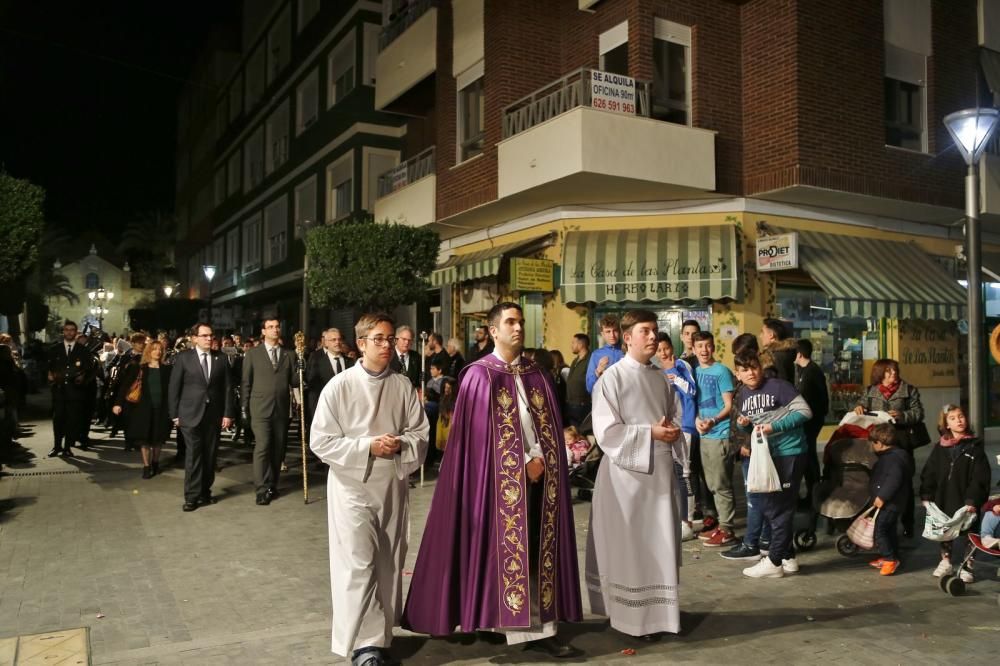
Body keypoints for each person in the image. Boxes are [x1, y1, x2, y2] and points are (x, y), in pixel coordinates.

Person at [402, 302, 582, 659]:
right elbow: (476, 442)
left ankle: (542, 628)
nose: (518, 328)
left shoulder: (538, 374)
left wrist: (542, 460)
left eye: (521, 322)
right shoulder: (478, 376)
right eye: (510, 322)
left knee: (537, 553)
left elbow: (546, 429)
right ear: (494, 330)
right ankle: (503, 625)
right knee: (499, 553)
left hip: (541, 478)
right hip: (494, 487)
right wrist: (521, 466)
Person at [309, 312, 429, 665]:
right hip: (352, 488)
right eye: (378, 339)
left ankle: (378, 638)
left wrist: (400, 445)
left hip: (391, 484)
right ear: (360, 344)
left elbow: (420, 433)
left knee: (387, 563)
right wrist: (367, 447)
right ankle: (362, 645)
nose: (387, 345)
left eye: (390, 338)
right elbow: (322, 441)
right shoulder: (340, 386)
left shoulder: (402, 385)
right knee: (358, 565)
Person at [587, 310, 685, 640]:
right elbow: (607, 432)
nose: (653, 337)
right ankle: (630, 619)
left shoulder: (661, 377)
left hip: (658, 474)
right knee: (631, 547)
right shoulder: (611, 379)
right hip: (626, 478)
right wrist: (652, 433)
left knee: (659, 544)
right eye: (645, 331)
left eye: (655, 330)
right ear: (627, 337)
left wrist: (671, 431)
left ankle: (661, 616)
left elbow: (672, 417)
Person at [732, 352, 811, 578]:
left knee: (780, 507)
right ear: (738, 374)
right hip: (766, 454)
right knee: (768, 505)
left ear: (760, 367)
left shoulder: (779, 386)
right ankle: (788, 556)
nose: (751, 372)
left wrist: (774, 428)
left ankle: (774, 561)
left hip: (790, 452)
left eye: (754, 367)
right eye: (745, 370)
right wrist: (745, 426)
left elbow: (805, 412)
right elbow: (757, 426)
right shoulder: (744, 394)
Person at [919, 404, 991, 583]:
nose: (958, 420)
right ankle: (945, 560)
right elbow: (930, 472)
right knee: (945, 530)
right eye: (952, 418)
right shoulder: (940, 448)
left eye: (960, 416)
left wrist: (973, 499)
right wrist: (927, 494)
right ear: (946, 424)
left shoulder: (974, 447)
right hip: (944, 497)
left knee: (970, 533)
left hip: (967, 498)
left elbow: (980, 477)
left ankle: (968, 565)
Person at [167, 323, 235, 512]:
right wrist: (174, 414)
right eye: (204, 336)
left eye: (210, 335)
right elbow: (174, 387)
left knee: (210, 456)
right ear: (194, 338)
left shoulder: (221, 358)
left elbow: (228, 388)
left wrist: (228, 413)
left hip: (213, 416)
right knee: (193, 455)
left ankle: (205, 491)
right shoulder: (183, 358)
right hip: (189, 415)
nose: (208, 339)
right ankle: (191, 496)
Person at [854, 358, 924, 536]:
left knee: (904, 482)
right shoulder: (870, 391)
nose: (894, 374)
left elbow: (918, 413)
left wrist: (902, 415)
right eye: (889, 371)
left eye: (895, 371)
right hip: (878, 443)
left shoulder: (908, 390)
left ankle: (908, 522)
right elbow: (860, 406)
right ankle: (878, 521)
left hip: (901, 442)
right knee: (879, 482)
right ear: (880, 373)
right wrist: (859, 408)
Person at [242, 318, 298, 506]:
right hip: (259, 408)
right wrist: (244, 407)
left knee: (278, 449)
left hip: (281, 409)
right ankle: (261, 488)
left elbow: (295, 382)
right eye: (271, 327)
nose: (275, 330)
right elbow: (246, 382)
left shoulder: (289, 354)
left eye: (277, 327)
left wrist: (302, 369)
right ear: (263, 331)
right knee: (263, 446)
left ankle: (272, 484)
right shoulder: (253, 354)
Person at [692, 331, 737, 547]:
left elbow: (729, 406)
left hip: (720, 434)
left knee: (721, 484)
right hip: (705, 434)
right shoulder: (694, 371)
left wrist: (713, 420)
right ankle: (721, 524)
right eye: (699, 346)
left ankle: (727, 530)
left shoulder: (722, 372)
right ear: (693, 349)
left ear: (713, 348)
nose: (704, 350)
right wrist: (699, 419)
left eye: (707, 346)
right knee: (711, 484)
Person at [655, 332, 696, 541]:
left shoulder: (681, 365)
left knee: (683, 473)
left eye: (666, 348)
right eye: (659, 350)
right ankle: (672, 518)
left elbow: (691, 391)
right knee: (667, 474)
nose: (663, 353)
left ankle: (687, 522)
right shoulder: (653, 368)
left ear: (672, 347)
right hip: (663, 430)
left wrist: (673, 372)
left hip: (684, 428)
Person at [112, 340, 172, 479]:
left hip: (161, 409)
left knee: (158, 439)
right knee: (144, 439)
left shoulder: (167, 369)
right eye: (154, 349)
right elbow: (125, 386)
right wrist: (118, 403)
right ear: (148, 351)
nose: (157, 352)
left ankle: (155, 462)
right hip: (143, 409)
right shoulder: (139, 368)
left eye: (159, 349)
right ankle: (146, 466)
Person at [866, 424, 912, 576]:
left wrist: (882, 496)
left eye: (872, 443)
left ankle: (889, 558)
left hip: (890, 503)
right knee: (890, 530)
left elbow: (894, 480)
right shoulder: (896, 456)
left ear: (879, 443)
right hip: (894, 503)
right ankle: (893, 556)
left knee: (880, 530)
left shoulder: (891, 459)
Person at [47, 321, 97, 458]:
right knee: (58, 419)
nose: (69, 332)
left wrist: (83, 379)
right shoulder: (55, 349)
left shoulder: (83, 350)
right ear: (63, 332)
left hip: (76, 390)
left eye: (72, 330)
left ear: (76, 332)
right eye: (66, 330)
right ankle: (57, 446)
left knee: (72, 419)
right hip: (59, 389)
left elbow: (91, 369)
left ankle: (67, 447)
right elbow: (48, 366)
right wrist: (50, 377)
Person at [794, 339, 829, 505]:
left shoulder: (811, 372)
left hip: (811, 421)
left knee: (809, 458)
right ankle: (812, 494)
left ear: (799, 354)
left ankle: (814, 495)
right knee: (808, 457)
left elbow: (813, 398)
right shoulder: (805, 370)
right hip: (810, 420)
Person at [305, 328, 353, 428]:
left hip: (345, 410)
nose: (337, 342)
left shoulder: (350, 361)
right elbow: (312, 385)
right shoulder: (317, 361)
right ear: (326, 343)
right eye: (333, 340)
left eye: (339, 339)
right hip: (324, 409)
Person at [586, 314, 624, 394]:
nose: (612, 335)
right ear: (602, 334)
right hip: (605, 402)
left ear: (620, 332)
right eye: (608, 331)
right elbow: (589, 388)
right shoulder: (596, 355)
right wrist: (598, 371)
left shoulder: (628, 351)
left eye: (615, 331)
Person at [564, 333, 591, 428]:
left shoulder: (590, 359)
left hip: (583, 405)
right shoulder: (575, 361)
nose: (571, 345)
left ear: (581, 344)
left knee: (583, 433)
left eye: (573, 343)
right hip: (571, 404)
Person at [759, 318, 796, 382]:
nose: (760, 336)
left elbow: (782, 385)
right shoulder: (777, 353)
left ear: (771, 335)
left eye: (762, 332)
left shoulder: (777, 356)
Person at [436, 377, 457, 453]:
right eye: (445, 387)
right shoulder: (443, 398)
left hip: (450, 425)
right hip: (443, 423)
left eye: (449, 388)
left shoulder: (455, 401)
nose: (446, 390)